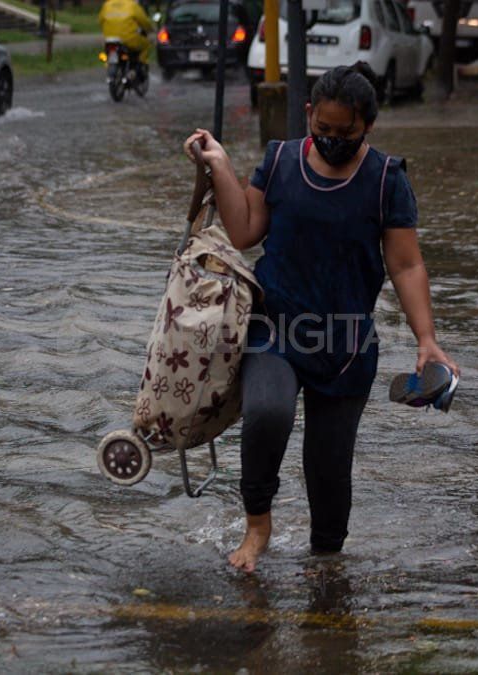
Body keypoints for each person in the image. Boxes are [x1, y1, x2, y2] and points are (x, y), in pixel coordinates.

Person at [182, 63, 460, 573]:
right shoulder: (280, 160)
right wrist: (219, 164)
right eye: (323, 129)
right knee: (268, 413)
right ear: (309, 115)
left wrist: (427, 339)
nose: (332, 140)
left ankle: (327, 569)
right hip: (276, 330)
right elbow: (243, 231)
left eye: (345, 133)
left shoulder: (386, 182)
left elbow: (405, 263)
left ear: (368, 126)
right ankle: (257, 526)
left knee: (328, 478)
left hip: (345, 347)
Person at [98, 0, 156, 65]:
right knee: (146, 44)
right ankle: (141, 64)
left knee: (108, 54)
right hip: (129, 39)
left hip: (109, 39)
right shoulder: (132, 5)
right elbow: (143, 21)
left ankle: (109, 64)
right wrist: (150, 29)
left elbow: (101, 20)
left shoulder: (107, 5)